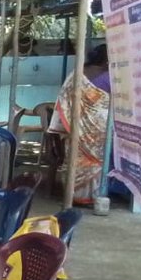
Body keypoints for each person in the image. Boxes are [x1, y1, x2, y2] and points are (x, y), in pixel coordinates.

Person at [51, 44, 110, 205]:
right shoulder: (108, 76)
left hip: (76, 126)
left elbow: (64, 97)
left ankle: (74, 194)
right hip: (99, 128)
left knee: (75, 158)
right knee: (97, 160)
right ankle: (91, 196)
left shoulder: (78, 73)